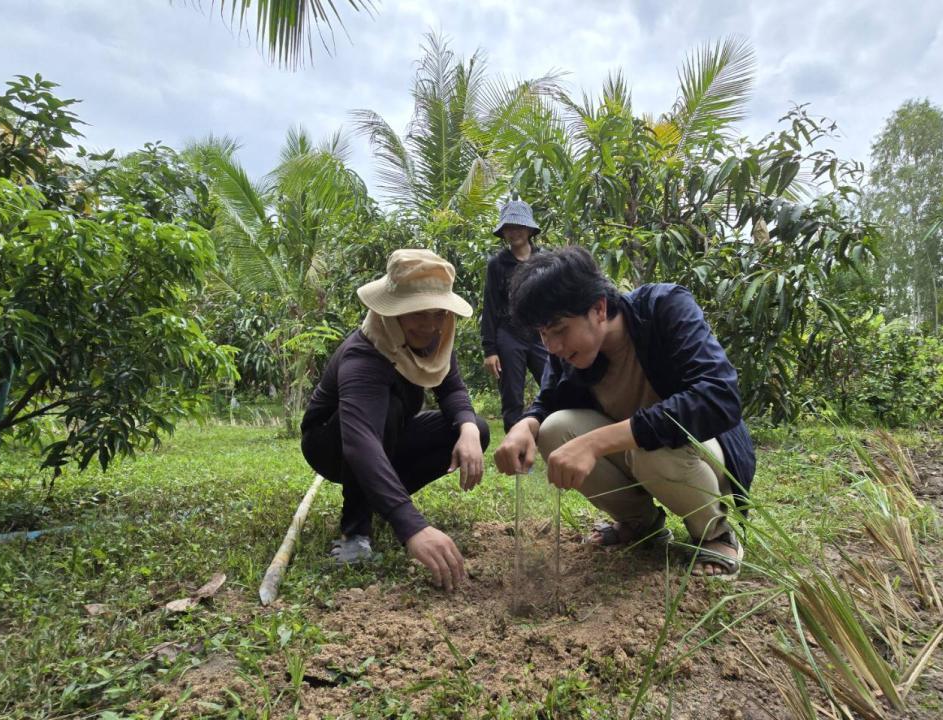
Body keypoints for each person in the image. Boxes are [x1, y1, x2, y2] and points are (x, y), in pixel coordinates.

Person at [493, 246, 755, 577]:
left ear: (599, 309)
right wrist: (526, 424)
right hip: (640, 457)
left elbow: (720, 396)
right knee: (553, 429)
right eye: (543, 334)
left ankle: (715, 533)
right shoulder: (569, 353)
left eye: (559, 330)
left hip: (698, 454)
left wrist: (596, 443)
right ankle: (641, 523)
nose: (552, 347)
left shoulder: (665, 307)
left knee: (652, 447)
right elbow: (548, 401)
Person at [300, 249, 490, 591]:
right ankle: (356, 531)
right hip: (334, 443)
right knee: (385, 408)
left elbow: (451, 388)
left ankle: (381, 496)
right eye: (417, 313)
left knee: (475, 427)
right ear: (392, 310)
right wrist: (412, 526)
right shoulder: (364, 355)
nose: (429, 325)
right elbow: (360, 443)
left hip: (389, 435)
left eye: (438, 313)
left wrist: (468, 429)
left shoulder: (435, 340)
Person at [481, 200, 549, 433]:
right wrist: (490, 350)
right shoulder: (497, 264)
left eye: (518, 226)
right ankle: (515, 444)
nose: (514, 232)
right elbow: (490, 306)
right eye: (508, 228)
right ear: (503, 232)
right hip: (509, 335)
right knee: (512, 396)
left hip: (542, 334)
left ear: (529, 229)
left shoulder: (545, 260)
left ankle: (558, 435)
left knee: (555, 385)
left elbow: (556, 298)